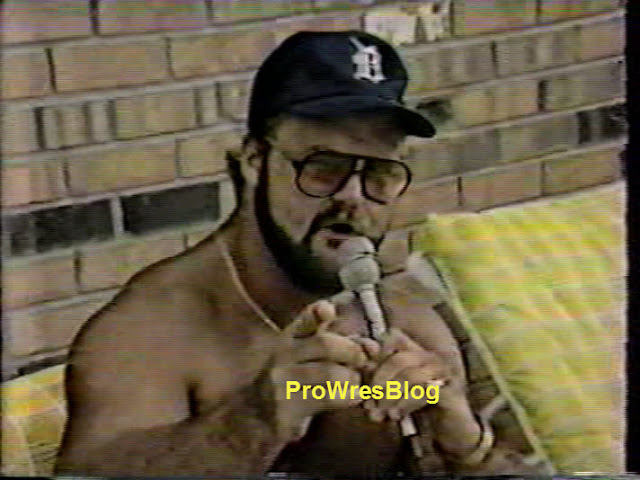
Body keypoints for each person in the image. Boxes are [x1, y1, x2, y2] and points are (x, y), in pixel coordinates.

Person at [55, 31, 545, 477]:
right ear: (254, 161)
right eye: (323, 168)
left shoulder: (405, 325)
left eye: (378, 175)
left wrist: (468, 448)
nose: (352, 197)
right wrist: (257, 419)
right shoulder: (153, 329)